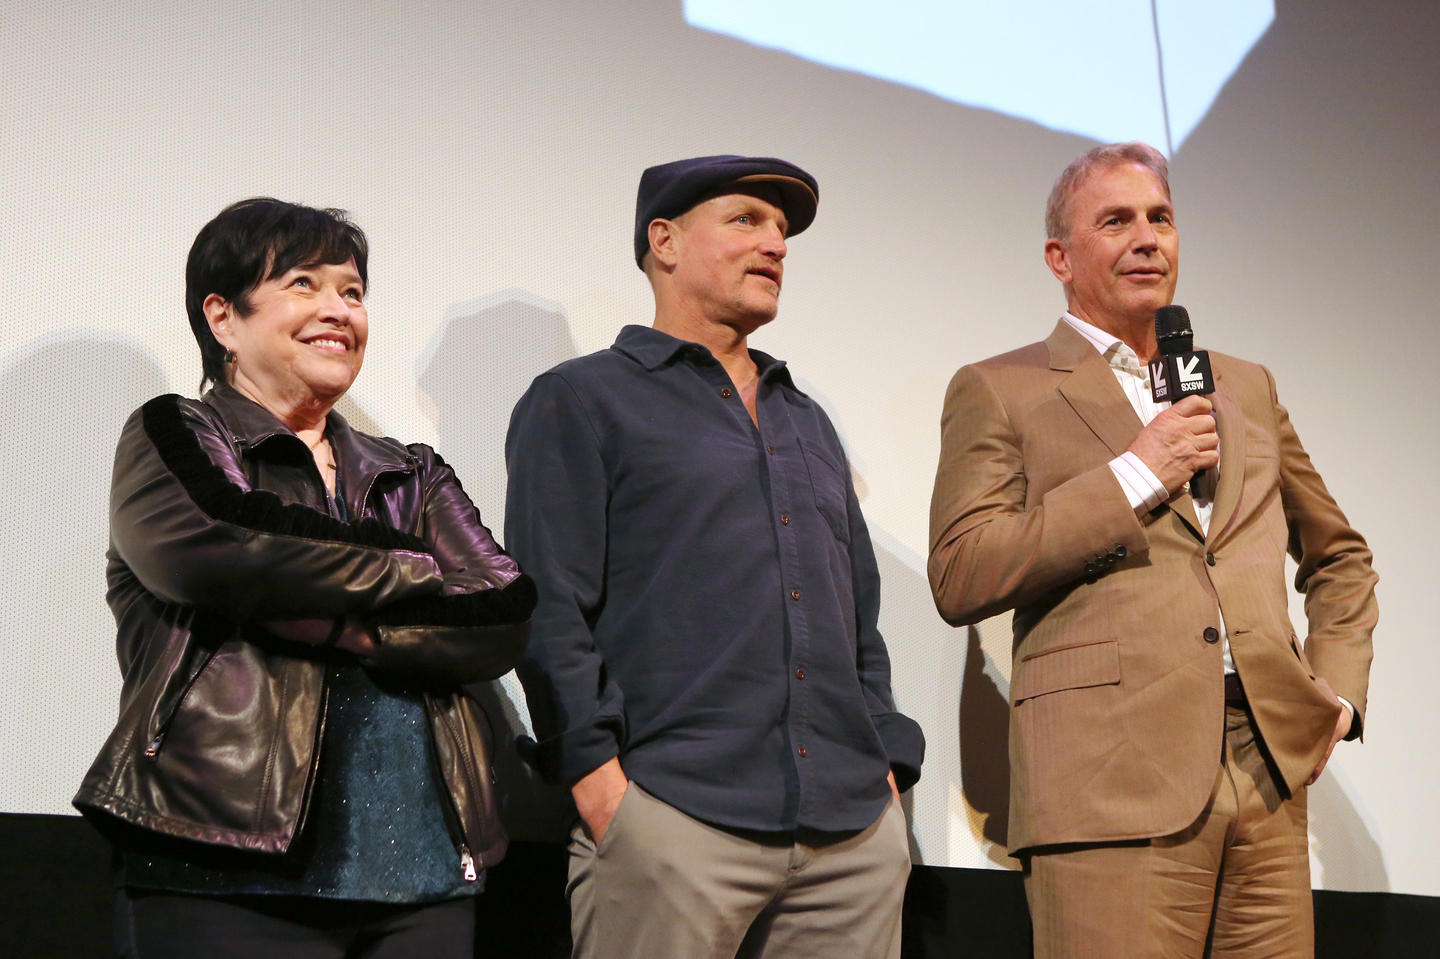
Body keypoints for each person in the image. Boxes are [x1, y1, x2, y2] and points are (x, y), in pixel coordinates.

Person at [928, 142, 1377, 957]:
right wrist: (1137, 472)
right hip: (1109, 781)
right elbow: (963, 568)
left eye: (1161, 219)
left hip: (1264, 775)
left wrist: (1337, 697)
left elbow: (1339, 554)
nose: (1148, 238)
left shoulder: (1242, 384)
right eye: (1118, 221)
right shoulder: (1002, 387)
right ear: (1059, 257)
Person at [74, 198, 536, 959]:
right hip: (222, 873)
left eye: (352, 292)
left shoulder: (411, 473)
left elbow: (503, 611)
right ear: (223, 318)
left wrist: (337, 620)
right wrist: (414, 565)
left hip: (424, 880)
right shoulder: (176, 432)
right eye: (304, 284)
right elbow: (219, 542)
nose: (339, 310)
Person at [505, 155, 925, 959]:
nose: (777, 244)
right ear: (663, 239)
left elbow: (855, 614)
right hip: (674, 822)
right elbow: (546, 607)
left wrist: (887, 760)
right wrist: (603, 789)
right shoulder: (582, 398)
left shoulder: (808, 419)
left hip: (850, 839)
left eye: (782, 230)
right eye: (746, 220)